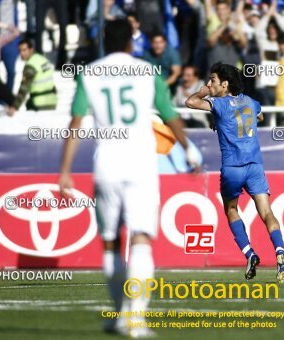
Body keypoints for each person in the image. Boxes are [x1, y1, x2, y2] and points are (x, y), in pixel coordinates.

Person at [58, 19, 198, 338]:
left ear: (105, 41)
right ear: (131, 44)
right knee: (141, 238)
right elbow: (170, 114)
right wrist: (189, 149)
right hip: (141, 165)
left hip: (106, 163)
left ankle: (120, 315)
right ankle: (135, 319)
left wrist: (64, 171)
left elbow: (75, 124)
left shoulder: (89, 73)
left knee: (110, 242)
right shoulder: (149, 72)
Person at [186, 62, 284, 284]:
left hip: (232, 168)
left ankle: (250, 254)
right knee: (266, 212)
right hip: (255, 166)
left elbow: (190, 102)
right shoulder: (251, 102)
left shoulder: (219, 103)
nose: (210, 84)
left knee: (231, 210)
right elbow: (259, 116)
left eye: (213, 80)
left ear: (225, 84)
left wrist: (202, 92)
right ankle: (280, 251)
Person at [8, 39, 57, 115]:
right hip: (52, 101)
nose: (22, 53)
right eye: (20, 51)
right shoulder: (43, 59)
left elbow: (24, 88)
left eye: (24, 50)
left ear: (31, 50)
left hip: (38, 103)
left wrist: (15, 107)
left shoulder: (30, 66)